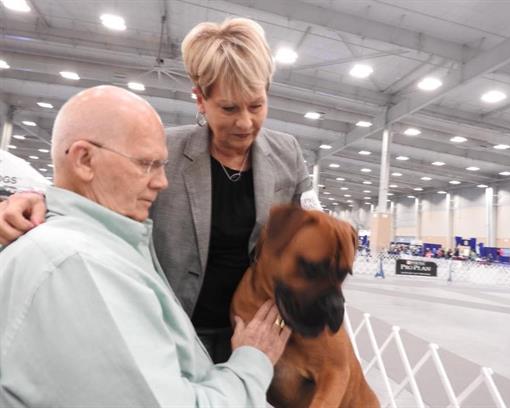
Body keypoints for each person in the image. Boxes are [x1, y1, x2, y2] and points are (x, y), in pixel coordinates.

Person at [0, 17, 313, 363]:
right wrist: (37, 200)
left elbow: (309, 230)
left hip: (252, 334)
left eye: (256, 105)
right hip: (170, 333)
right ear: (200, 99)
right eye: (228, 108)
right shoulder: (163, 148)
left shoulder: (288, 154)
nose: (245, 122)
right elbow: (96, 196)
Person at [0, 86, 291, 408]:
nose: (162, 182)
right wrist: (252, 363)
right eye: (146, 164)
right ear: (84, 159)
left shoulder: (103, 245)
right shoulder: (81, 266)